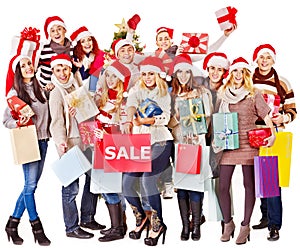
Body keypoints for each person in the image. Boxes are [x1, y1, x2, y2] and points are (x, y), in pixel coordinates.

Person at [156, 25, 236, 200]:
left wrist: (224, 36)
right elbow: (167, 118)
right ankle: (187, 215)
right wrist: (178, 120)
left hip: (207, 138)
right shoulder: (170, 90)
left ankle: (206, 216)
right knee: (185, 182)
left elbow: (208, 50)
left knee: (203, 180)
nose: (183, 75)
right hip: (181, 140)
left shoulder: (202, 90)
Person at [215, 57, 276, 245]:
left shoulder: (253, 93)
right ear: (230, 73)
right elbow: (217, 118)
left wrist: (272, 134)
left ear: (246, 74)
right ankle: (228, 223)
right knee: (222, 187)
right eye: (235, 71)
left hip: (249, 144)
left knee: (249, 185)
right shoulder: (222, 93)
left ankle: (245, 225)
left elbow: (266, 115)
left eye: (242, 71)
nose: (238, 75)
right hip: (229, 143)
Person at [48, 54, 102, 239]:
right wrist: (61, 142)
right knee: (71, 187)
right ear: (53, 71)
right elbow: (56, 122)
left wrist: (78, 111)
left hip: (86, 138)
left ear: (69, 69)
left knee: (92, 180)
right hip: (70, 142)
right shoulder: (56, 92)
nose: (62, 73)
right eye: (58, 70)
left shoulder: (76, 84)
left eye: (64, 68)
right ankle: (71, 227)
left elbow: (87, 110)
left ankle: (87, 217)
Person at [123, 56, 173, 246]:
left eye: (151, 73)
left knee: (147, 180)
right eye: (144, 74)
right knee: (127, 184)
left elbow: (166, 118)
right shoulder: (137, 90)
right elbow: (131, 106)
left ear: (157, 75)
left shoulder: (164, 93)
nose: (147, 77)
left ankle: (157, 224)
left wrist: (145, 121)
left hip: (160, 141)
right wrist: (129, 120)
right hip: (140, 141)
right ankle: (142, 217)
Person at [3, 55, 51, 246]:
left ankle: (12, 224)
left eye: (29, 63)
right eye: (23, 66)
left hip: (43, 141)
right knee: (30, 187)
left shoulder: (40, 87)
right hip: (28, 141)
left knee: (30, 187)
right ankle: (36, 227)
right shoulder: (14, 93)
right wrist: (18, 122)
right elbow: (5, 121)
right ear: (18, 71)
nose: (28, 67)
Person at [251, 44, 297, 241]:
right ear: (256, 60)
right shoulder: (248, 80)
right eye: (261, 57)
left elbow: (292, 110)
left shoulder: (283, 83)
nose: (264, 61)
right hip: (252, 135)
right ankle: (264, 216)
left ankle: (274, 224)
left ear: (273, 60)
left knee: (272, 180)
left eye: (268, 57)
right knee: (259, 179)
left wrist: (283, 119)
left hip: (272, 135)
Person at [168, 54, 213, 241]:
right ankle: (185, 226)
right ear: (175, 73)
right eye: (180, 72)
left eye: (187, 71)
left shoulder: (202, 92)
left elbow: (208, 117)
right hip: (179, 145)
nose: (184, 75)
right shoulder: (171, 95)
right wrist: (177, 116)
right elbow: (167, 124)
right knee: (182, 186)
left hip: (196, 143)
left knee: (195, 185)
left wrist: (200, 131)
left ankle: (196, 225)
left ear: (192, 73)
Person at [93, 60, 132, 242]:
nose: (110, 79)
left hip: (116, 149)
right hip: (101, 148)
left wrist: (107, 134)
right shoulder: (102, 98)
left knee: (112, 188)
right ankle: (118, 226)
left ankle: (118, 228)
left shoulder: (124, 100)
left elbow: (127, 130)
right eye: (108, 75)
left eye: (114, 75)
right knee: (107, 187)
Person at [36, 16, 73, 91]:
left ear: (64, 30)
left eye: (59, 29)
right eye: (52, 31)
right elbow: (33, 69)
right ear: (49, 33)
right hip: (48, 88)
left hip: (66, 87)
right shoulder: (43, 49)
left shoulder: (72, 47)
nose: (56, 33)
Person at [70, 26, 105, 92]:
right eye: (83, 41)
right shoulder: (76, 57)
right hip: (80, 88)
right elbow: (83, 78)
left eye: (89, 40)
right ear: (79, 45)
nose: (87, 43)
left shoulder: (95, 54)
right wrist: (81, 67)